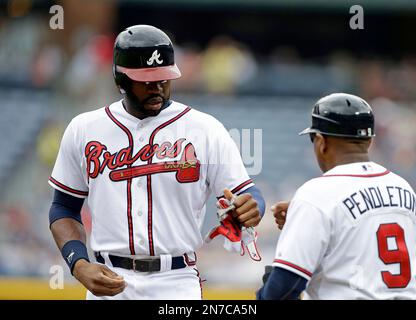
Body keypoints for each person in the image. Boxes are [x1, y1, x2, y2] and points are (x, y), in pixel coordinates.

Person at [48, 25, 265, 300]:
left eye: (164, 77)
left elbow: (248, 194)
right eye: (146, 79)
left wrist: (252, 207)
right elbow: (63, 207)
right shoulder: (84, 128)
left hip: (176, 281)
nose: (158, 86)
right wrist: (78, 264)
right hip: (108, 280)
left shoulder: (205, 129)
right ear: (120, 78)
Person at [258, 93, 416, 300]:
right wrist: (307, 220)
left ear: (321, 142)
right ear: (368, 141)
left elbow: (282, 290)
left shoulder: (316, 194)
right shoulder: (403, 188)